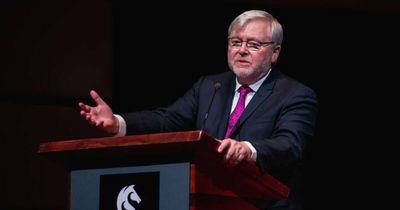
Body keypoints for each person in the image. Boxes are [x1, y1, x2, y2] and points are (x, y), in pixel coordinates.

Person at [79, 10, 318, 210]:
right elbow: (167, 120)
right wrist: (118, 123)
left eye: (254, 44)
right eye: (236, 42)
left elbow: (289, 145)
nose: (242, 50)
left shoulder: (294, 94)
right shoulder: (210, 86)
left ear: (275, 52)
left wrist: (248, 149)